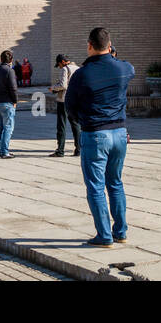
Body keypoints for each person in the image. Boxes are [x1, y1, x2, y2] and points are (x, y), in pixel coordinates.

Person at [65, 27, 135, 246]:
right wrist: (112, 55)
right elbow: (129, 68)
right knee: (115, 182)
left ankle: (104, 236)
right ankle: (120, 231)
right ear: (110, 44)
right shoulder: (123, 68)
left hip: (95, 133)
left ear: (89, 45)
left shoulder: (82, 74)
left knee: (95, 186)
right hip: (120, 133)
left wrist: (85, 121)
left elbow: (70, 107)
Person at [50, 54, 80, 157]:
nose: (59, 67)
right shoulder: (77, 68)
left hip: (63, 100)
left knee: (61, 125)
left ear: (62, 61)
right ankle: (79, 149)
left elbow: (63, 85)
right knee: (76, 124)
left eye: (59, 64)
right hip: (76, 100)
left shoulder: (65, 69)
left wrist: (53, 88)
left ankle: (60, 150)